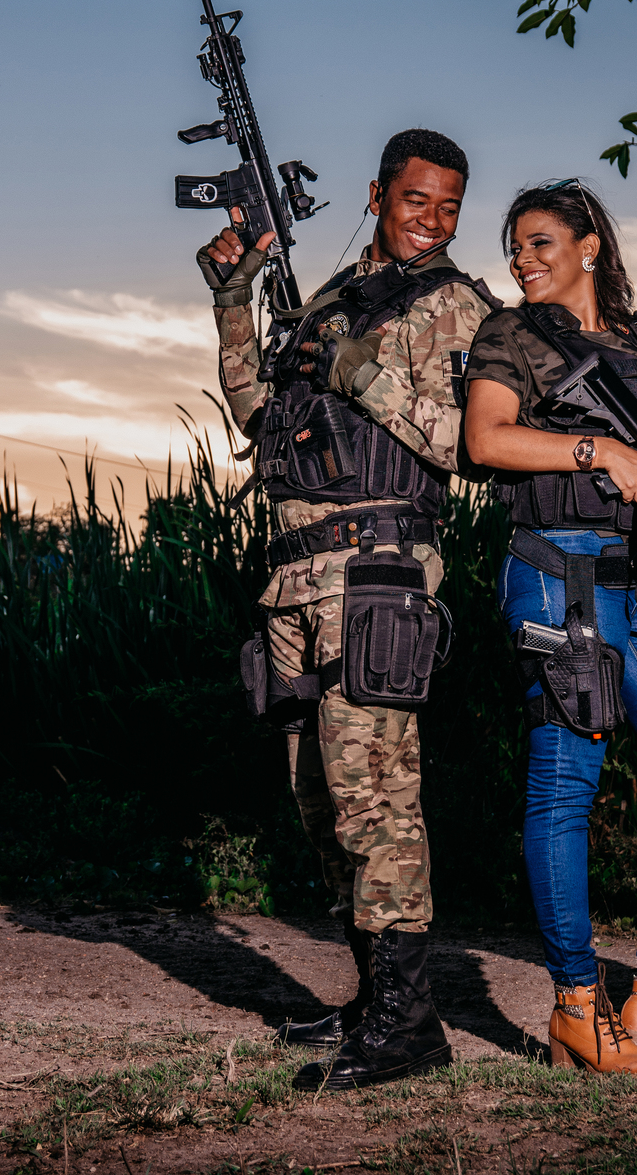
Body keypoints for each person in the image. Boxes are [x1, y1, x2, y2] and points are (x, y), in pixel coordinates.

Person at [199, 127, 497, 1090]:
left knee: (376, 799)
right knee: (319, 800)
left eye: (450, 207)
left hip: (376, 572)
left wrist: (362, 372)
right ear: (377, 196)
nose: (433, 221)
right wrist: (233, 299)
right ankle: (375, 1001)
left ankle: (411, 1026)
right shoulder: (331, 300)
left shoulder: (455, 306)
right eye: (416, 200)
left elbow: (470, 446)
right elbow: (258, 415)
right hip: (294, 578)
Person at [463, 181, 637, 1077]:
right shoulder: (510, 335)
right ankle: (577, 1007)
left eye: (540, 242)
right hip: (561, 573)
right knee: (565, 787)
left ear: (590, 246)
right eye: (515, 246)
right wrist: (600, 450)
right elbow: (487, 441)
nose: (522, 259)